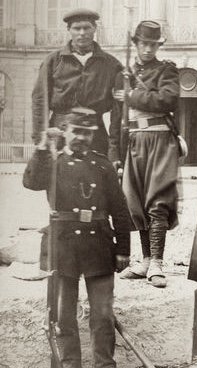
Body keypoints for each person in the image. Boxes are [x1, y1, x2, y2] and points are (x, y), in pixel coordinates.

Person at [23, 109, 132, 368]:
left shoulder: (103, 165)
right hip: (63, 248)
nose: (81, 137)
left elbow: (120, 210)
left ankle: (104, 364)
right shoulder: (53, 163)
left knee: (103, 316)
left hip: (99, 246)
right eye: (76, 132)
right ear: (65, 132)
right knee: (63, 316)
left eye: (87, 133)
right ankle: (70, 364)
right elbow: (30, 182)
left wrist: (123, 250)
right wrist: (43, 146)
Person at [111, 20, 180, 288]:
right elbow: (117, 119)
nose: (148, 49)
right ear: (136, 44)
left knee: (157, 200)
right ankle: (145, 261)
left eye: (153, 44)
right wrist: (115, 153)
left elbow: (167, 100)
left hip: (160, 139)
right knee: (136, 201)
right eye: (144, 44)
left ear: (158, 46)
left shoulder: (167, 71)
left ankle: (158, 263)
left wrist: (131, 96)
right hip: (134, 141)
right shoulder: (123, 75)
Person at [32, 9, 122, 154]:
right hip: (59, 132)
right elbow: (39, 101)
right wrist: (41, 136)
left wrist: (114, 148)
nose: (82, 33)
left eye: (86, 28)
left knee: (94, 174)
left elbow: (118, 110)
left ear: (94, 29)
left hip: (94, 133)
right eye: (76, 28)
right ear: (69, 30)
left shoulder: (111, 65)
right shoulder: (53, 61)